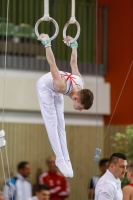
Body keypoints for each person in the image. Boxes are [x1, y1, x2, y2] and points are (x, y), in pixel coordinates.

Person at [36, 34, 94, 178]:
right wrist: (47, 44)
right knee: (52, 123)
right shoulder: (62, 86)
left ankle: (67, 159)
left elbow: (74, 64)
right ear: (75, 98)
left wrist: (74, 46)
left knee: (61, 125)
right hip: (45, 86)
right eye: (80, 107)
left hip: (58, 91)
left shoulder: (80, 83)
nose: (79, 110)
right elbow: (52, 64)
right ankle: (60, 159)